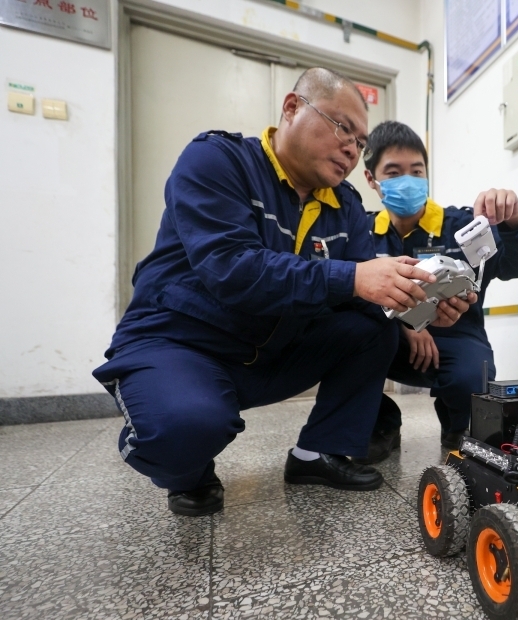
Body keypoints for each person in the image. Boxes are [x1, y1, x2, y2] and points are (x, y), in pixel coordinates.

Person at [92, 69, 474, 517]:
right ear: (292, 108)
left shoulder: (346, 204)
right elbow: (231, 269)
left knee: (373, 327)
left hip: (272, 350)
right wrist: (355, 278)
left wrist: (419, 310)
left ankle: (318, 452)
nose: (352, 149)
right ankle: (187, 468)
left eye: (359, 142)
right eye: (342, 127)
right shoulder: (217, 161)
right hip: (184, 343)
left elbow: (364, 292)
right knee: (183, 428)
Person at [358, 121, 518, 463]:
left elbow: (517, 261)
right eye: (394, 172)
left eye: (417, 171)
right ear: (371, 179)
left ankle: (458, 421)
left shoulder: (462, 228)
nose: (408, 180)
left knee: (471, 375)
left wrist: (515, 219)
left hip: (457, 337)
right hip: (387, 336)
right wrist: (406, 323)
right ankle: (379, 422)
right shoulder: (362, 233)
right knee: (344, 342)